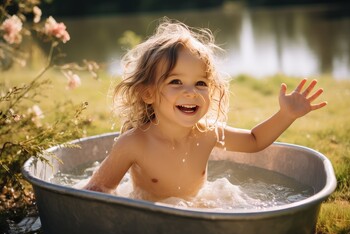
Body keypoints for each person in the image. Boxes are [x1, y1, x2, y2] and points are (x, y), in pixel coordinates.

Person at [83, 18, 327, 202]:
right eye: (175, 82)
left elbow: (254, 141)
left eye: (200, 83)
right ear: (148, 93)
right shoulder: (134, 143)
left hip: (195, 210)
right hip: (150, 215)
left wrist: (286, 115)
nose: (191, 92)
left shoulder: (207, 133)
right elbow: (97, 189)